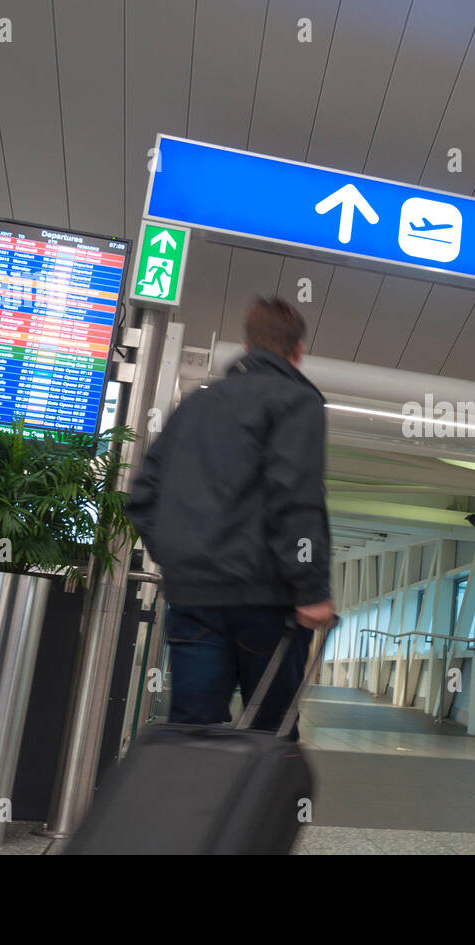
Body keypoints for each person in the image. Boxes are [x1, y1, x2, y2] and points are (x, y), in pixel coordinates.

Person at [126, 295, 336, 737]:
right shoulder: (297, 402)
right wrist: (310, 588)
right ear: (298, 351)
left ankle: (187, 805)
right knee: (271, 735)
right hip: (267, 602)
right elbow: (294, 497)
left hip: (195, 598)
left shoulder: (195, 406)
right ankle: (268, 809)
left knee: (192, 733)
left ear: (245, 345)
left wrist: (180, 560)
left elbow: (143, 494)